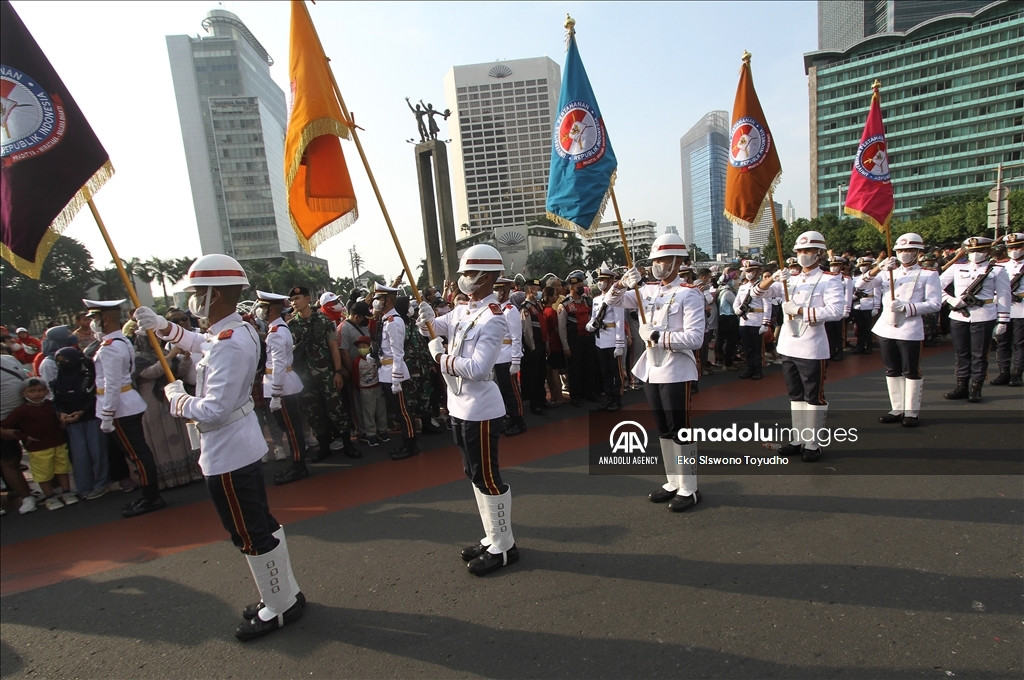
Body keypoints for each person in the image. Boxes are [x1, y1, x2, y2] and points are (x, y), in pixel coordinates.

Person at [133, 254, 304, 641]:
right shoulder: (232, 331)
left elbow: (211, 410)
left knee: (248, 531)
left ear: (214, 295)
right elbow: (202, 343)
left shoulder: (230, 341)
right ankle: (286, 593)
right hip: (237, 444)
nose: (193, 299)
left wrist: (176, 398)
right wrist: (165, 328)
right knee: (261, 523)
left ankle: (278, 607)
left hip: (227, 450)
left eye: (196, 293)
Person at [416, 244, 517, 574]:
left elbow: (476, 368)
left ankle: (504, 545)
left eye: (468, 274)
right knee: (472, 474)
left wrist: (439, 357)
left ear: (486, 277)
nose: (463, 280)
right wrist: (426, 319)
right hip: (458, 405)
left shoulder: (494, 319)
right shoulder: (462, 310)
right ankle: (492, 536)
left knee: (488, 476)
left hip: (481, 409)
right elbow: (437, 328)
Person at [605, 234, 705, 511]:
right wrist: (621, 283)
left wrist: (659, 336)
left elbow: (696, 339)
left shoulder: (689, 293)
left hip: (676, 369)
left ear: (677, 261)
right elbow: (612, 302)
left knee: (680, 430)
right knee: (662, 429)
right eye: (655, 260)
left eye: (662, 260)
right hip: (651, 368)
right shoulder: (646, 290)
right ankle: (673, 482)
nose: (657, 265)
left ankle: (690, 487)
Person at [750, 230, 845, 462]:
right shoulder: (790, 280)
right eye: (800, 251)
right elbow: (756, 292)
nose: (804, 255)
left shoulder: (830, 279)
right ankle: (798, 439)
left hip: (812, 345)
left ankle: (813, 443)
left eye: (809, 251)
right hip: (789, 346)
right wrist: (773, 277)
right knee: (795, 395)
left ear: (820, 253)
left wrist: (801, 311)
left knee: (814, 396)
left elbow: (836, 312)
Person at [84, 299, 167, 517]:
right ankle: (149, 494)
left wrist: (107, 416)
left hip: (120, 406)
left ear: (104, 319)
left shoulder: (111, 347)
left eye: (94, 318)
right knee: (139, 453)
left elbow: (111, 385)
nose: (92, 323)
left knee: (138, 455)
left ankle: (151, 497)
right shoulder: (117, 341)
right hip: (126, 401)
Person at [855, 233, 941, 426]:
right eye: (901, 250)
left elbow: (935, 304)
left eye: (909, 250)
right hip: (887, 327)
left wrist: (908, 307)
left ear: (918, 252)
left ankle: (911, 412)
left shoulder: (928, 274)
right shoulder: (887, 272)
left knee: (910, 370)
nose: (904, 254)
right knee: (891, 369)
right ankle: (897, 408)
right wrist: (878, 267)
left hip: (909, 327)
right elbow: (860, 285)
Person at [288, 286, 358, 460]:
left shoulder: (323, 320)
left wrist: (338, 372)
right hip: (305, 377)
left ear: (308, 299)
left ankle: (347, 444)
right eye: (292, 300)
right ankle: (324, 446)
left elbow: (334, 347)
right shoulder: (291, 325)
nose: (294, 302)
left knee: (337, 408)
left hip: (326, 373)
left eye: (298, 299)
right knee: (313, 412)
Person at [940, 236, 1011, 402]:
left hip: (983, 314)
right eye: (972, 251)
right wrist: (950, 299)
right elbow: (935, 286)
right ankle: (962, 386)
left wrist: (1003, 320)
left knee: (979, 354)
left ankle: (976, 388)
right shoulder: (957, 268)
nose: (975, 254)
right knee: (961, 353)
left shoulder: (997, 270)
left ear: (987, 251)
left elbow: (1004, 296)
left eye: (979, 251)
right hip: (959, 315)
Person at [253, 291, 309, 485]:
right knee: (291, 427)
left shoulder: (277, 332)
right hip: (282, 385)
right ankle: (297, 463)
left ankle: (298, 465)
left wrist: (275, 393)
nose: (260, 310)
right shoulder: (275, 329)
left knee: (292, 429)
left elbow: (277, 365)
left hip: (282, 387)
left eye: (263, 307)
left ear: (272, 309)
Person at [1, 378, 77, 510]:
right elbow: (6, 427)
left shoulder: (51, 405)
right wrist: (24, 436)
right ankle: (50, 497)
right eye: (32, 391)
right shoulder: (20, 411)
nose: (37, 394)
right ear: (23, 394)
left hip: (58, 443)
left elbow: (58, 417)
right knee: (43, 474)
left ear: (46, 391)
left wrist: (62, 420)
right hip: (37, 448)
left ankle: (67, 492)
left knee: (62, 469)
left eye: (40, 390)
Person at [50, 347, 109, 500]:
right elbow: (58, 400)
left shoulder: (89, 376)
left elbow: (95, 397)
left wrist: (82, 412)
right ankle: (84, 487)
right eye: (58, 361)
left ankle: (101, 484)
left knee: (98, 452)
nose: (61, 364)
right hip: (72, 423)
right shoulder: (58, 380)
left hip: (91, 418)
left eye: (65, 360)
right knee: (79, 457)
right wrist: (61, 414)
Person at [374, 285, 419, 460]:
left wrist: (396, 379)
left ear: (388, 300)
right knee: (399, 411)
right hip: (385, 370)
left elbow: (398, 352)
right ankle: (406, 443)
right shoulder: (385, 319)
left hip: (394, 372)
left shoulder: (394, 321)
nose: (376, 302)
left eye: (379, 299)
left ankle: (410, 445)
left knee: (403, 412)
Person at [0, 341, 36, 514]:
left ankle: (32, 492)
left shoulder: (8, 359)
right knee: (9, 461)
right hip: (3, 424)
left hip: (24, 418)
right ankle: (26, 497)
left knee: (26, 456)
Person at [586, 268, 626, 411]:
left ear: (610, 281)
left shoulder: (616, 298)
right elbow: (593, 318)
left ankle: (617, 398)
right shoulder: (596, 299)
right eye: (600, 280)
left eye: (603, 280)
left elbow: (619, 321)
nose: (601, 283)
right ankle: (609, 397)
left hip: (612, 338)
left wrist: (619, 344)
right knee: (605, 371)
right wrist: (590, 326)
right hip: (600, 339)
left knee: (616, 372)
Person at [492, 277, 526, 436]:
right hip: (498, 357)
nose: (495, 293)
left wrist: (516, 361)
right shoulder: (496, 309)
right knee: (504, 391)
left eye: (498, 290)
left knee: (512, 391)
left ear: (505, 291)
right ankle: (510, 418)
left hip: (508, 356)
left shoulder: (510, 310)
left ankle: (519, 420)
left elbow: (516, 337)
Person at [991, 232, 1024, 387]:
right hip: (1003, 310)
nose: (1014, 250)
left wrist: (1020, 295)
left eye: (1017, 247)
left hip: (1022, 309)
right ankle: (1004, 372)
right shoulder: (1002, 267)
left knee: (1020, 343)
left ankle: (1017, 373)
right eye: (1011, 248)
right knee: (1002, 343)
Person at [734, 260, 770, 380]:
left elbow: (767, 306)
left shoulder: (762, 286)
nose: (749, 273)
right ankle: (750, 369)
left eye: (751, 271)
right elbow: (736, 302)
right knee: (747, 347)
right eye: (747, 271)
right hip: (744, 320)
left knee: (756, 348)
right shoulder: (743, 287)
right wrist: (737, 310)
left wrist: (765, 322)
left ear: (757, 271)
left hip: (757, 320)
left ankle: (758, 370)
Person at [520, 278, 549, 415]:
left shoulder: (538, 305)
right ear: (530, 291)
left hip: (542, 344)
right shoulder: (525, 307)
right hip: (533, 346)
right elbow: (527, 330)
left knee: (541, 374)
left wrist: (546, 343)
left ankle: (542, 399)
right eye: (537, 290)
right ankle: (534, 404)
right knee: (533, 376)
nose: (539, 292)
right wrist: (532, 347)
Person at [353, 335, 388, 446]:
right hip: (365, 389)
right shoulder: (357, 362)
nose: (361, 348)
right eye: (359, 346)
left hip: (377, 386)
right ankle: (370, 434)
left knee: (381, 410)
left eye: (364, 346)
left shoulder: (376, 359)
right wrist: (360, 387)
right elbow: (355, 376)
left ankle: (383, 431)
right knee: (369, 412)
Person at [850, 256, 879, 355]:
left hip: (868, 304)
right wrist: (853, 296)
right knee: (859, 327)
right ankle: (860, 345)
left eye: (865, 265)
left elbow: (877, 293)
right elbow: (852, 291)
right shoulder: (855, 278)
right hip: (857, 305)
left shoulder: (874, 278)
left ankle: (868, 346)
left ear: (870, 265)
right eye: (861, 265)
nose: (863, 267)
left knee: (867, 328)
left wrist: (876, 307)